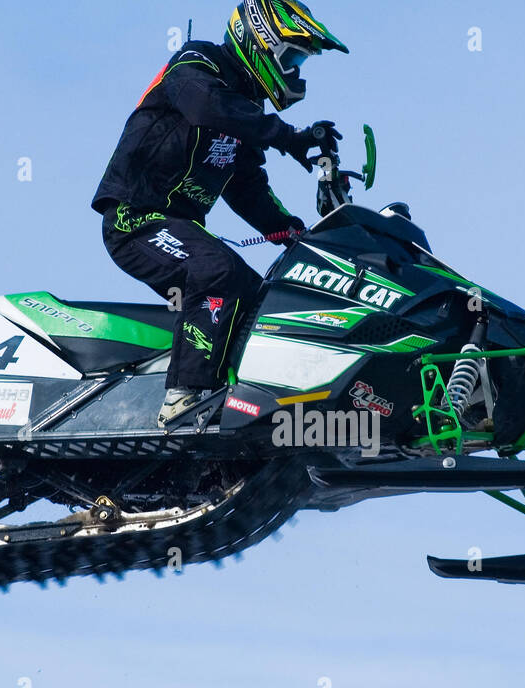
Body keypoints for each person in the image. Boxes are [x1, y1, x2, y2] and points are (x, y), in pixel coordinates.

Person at [91, 1, 348, 426]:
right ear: (260, 39)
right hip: (134, 220)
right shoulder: (196, 62)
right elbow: (206, 106)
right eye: (294, 56)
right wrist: (288, 137)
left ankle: (241, 415)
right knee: (218, 271)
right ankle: (183, 398)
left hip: (177, 227)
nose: (296, 69)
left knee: (261, 299)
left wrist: (298, 234)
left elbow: (247, 188)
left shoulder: (244, 111)